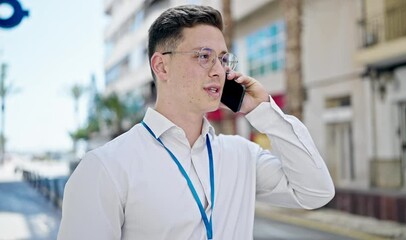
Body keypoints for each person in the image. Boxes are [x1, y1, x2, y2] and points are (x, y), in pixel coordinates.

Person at [58, 5, 334, 240]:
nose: (219, 70)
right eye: (204, 56)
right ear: (161, 66)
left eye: (223, 59)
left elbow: (315, 192)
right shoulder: (106, 167)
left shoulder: (242, 155)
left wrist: (264, 112)